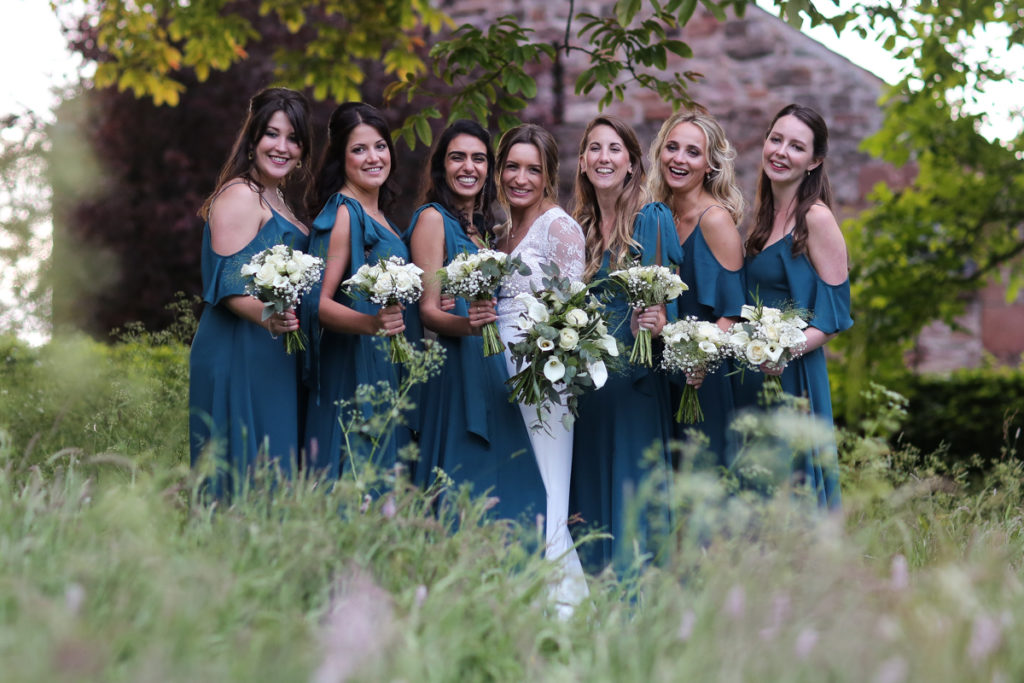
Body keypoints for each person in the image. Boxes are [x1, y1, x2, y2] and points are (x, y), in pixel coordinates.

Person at [406, 119, 544, 521]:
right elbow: (429, 312)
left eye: (479, 159)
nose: (469, 167)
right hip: (455, 371)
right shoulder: (433, 219)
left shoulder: (484, 232)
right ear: (441, 166)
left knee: (510, 488)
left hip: (491, 367)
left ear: (490, 169)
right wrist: (471, 326)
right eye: (458, 157)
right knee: (465, 485)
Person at [189, 87, 313, 498]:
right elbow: (226, 283)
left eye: (293, 138)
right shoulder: (241, 194)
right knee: (242, 470)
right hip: (237, 348)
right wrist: (268, 315)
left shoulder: (277, 198)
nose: (282, 147)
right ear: (253, 139)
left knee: (272, 470)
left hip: (272, 348)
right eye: (272, 135)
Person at [568, 115, 679, 575]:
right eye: (595, 148)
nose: (604, 158)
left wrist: (655, 326)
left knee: (635, 506)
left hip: (636, 386)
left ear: (633, 163)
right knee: (587, 505)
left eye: (615, 149)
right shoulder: (577, 228)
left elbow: (669, 309)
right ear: (582, 162)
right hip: (586, 394)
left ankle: (641, 614)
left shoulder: (652, 220)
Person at [493, 123, 588, 615]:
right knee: (517, 485)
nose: (520, 178)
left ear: (549, 174)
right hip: (499, 375)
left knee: (547, 489)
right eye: (512, 166)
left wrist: (545, 365)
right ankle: (521, 600)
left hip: (544, 380)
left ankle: (560, 615)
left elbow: (573, 313)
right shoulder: (499, 230)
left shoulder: (560, 228)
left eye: (533, 169)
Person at [739, 103, 853, 509]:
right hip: (752, 375)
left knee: (792, 493)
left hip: (792, 375)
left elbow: (835, 316)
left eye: (796, 146)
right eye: (776, 139)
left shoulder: (816, 219)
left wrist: (783, 349)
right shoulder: (763, 218)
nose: (781, 152)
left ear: (814, 160)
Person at [302, 102, 412, 480]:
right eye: (359, 149)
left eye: (380, 146)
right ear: (340, 158)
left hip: (385, 363)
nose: (373, 157)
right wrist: (372, 325)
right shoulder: (344, 212)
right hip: (353, 365)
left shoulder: (381, 215)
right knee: (354, 474)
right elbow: (315, 302)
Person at [648, 109, 746, 467]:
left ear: (710, 164)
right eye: (672, 147)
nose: (679, 159)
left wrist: (698, 356)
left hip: (704, 377)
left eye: (693, 152)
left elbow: (735, 314)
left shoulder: (716, 220)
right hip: (663, 373)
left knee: (705, 481)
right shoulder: (658, 217)